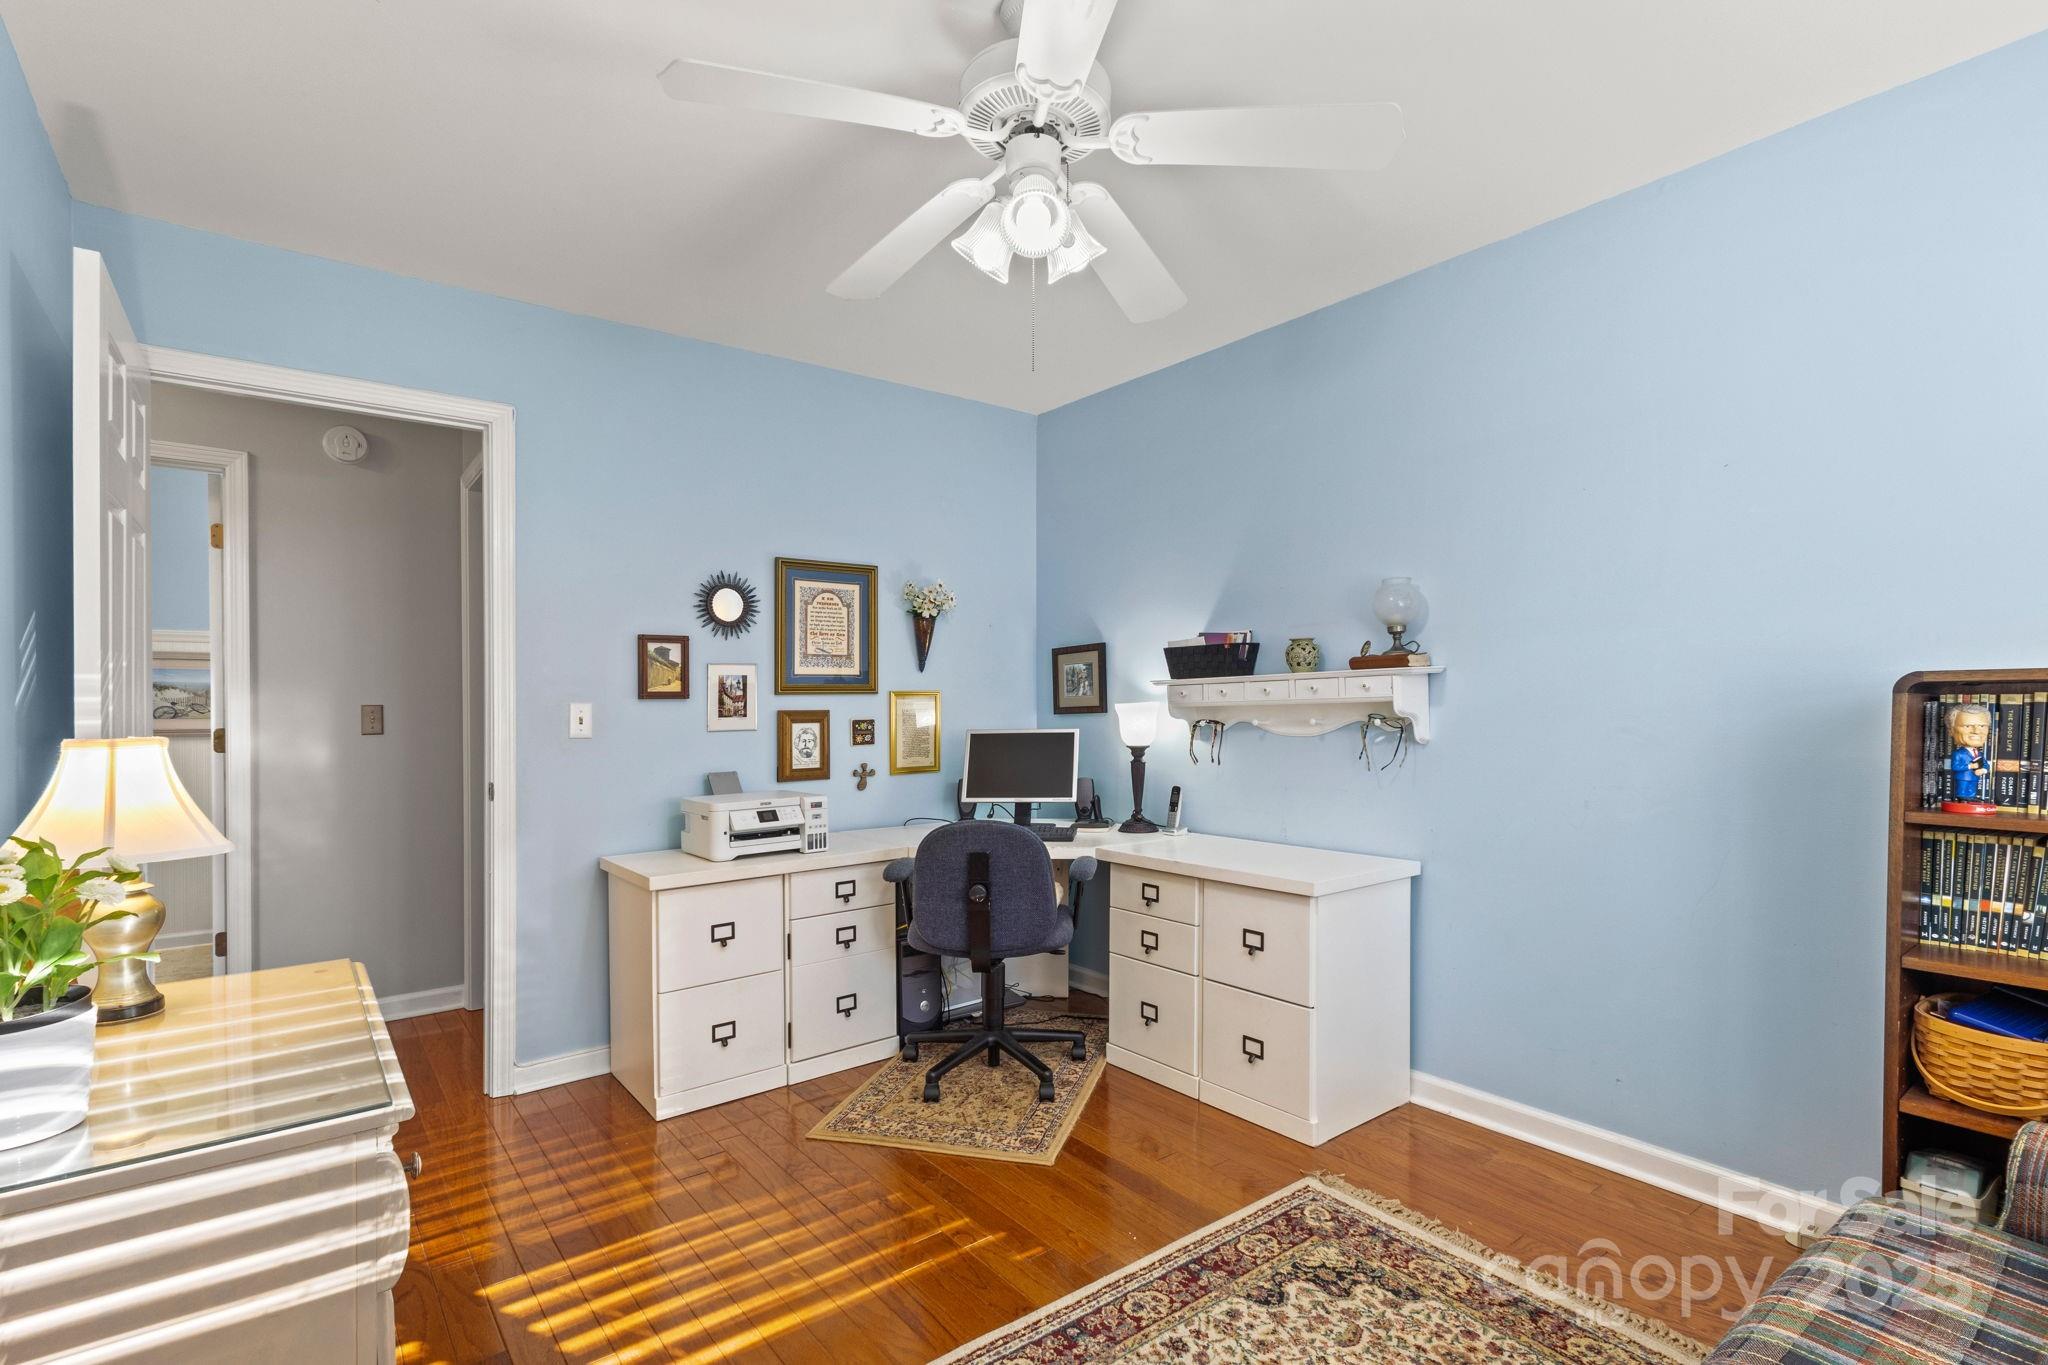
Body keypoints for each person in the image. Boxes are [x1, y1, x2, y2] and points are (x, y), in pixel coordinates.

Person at [1947, 704, 1995, 808]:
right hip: (1963, 778)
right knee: (1963, 790)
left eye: (1982, 726)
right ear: (1951, 730)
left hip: (1974, 777)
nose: (1976, 731)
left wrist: (1984, 770)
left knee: (1972, 790)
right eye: (1967, 726)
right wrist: (1970, 766)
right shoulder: (1958, 753)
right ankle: (1962, 799)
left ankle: (1971, 798)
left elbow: (1985, 764)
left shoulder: (1979, 753)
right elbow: (1955, 767)